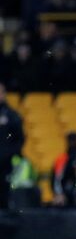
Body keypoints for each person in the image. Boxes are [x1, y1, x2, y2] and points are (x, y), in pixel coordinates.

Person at [0, 82, 24, 210]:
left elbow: (19, 139)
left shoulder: (12, 115)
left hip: (6, 165)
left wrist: (9, 155)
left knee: (5, 196)